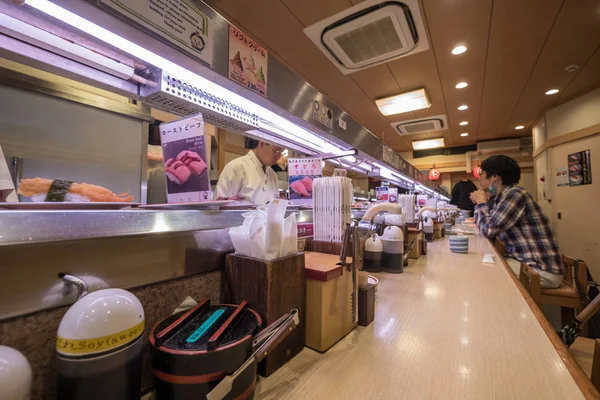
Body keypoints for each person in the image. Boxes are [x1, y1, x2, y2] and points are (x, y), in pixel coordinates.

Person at [470, 155, 563, 288]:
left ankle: (503, 308)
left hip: (540, 270)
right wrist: (482, 203)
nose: (479, 178)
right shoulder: (504, 197)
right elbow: (490, 224)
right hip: (527, 263)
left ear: (495, 177)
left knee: (482, 269)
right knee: (483, 262)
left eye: (482, 173)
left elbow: (488, 230)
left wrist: (480, 202)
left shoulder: (515, 195)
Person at [215, 140, 282, 204]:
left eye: (281, 152)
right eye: (276, 150)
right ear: (262, 143)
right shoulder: (236, 167)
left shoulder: (273, 175)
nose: (278, 157)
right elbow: (220, 207)